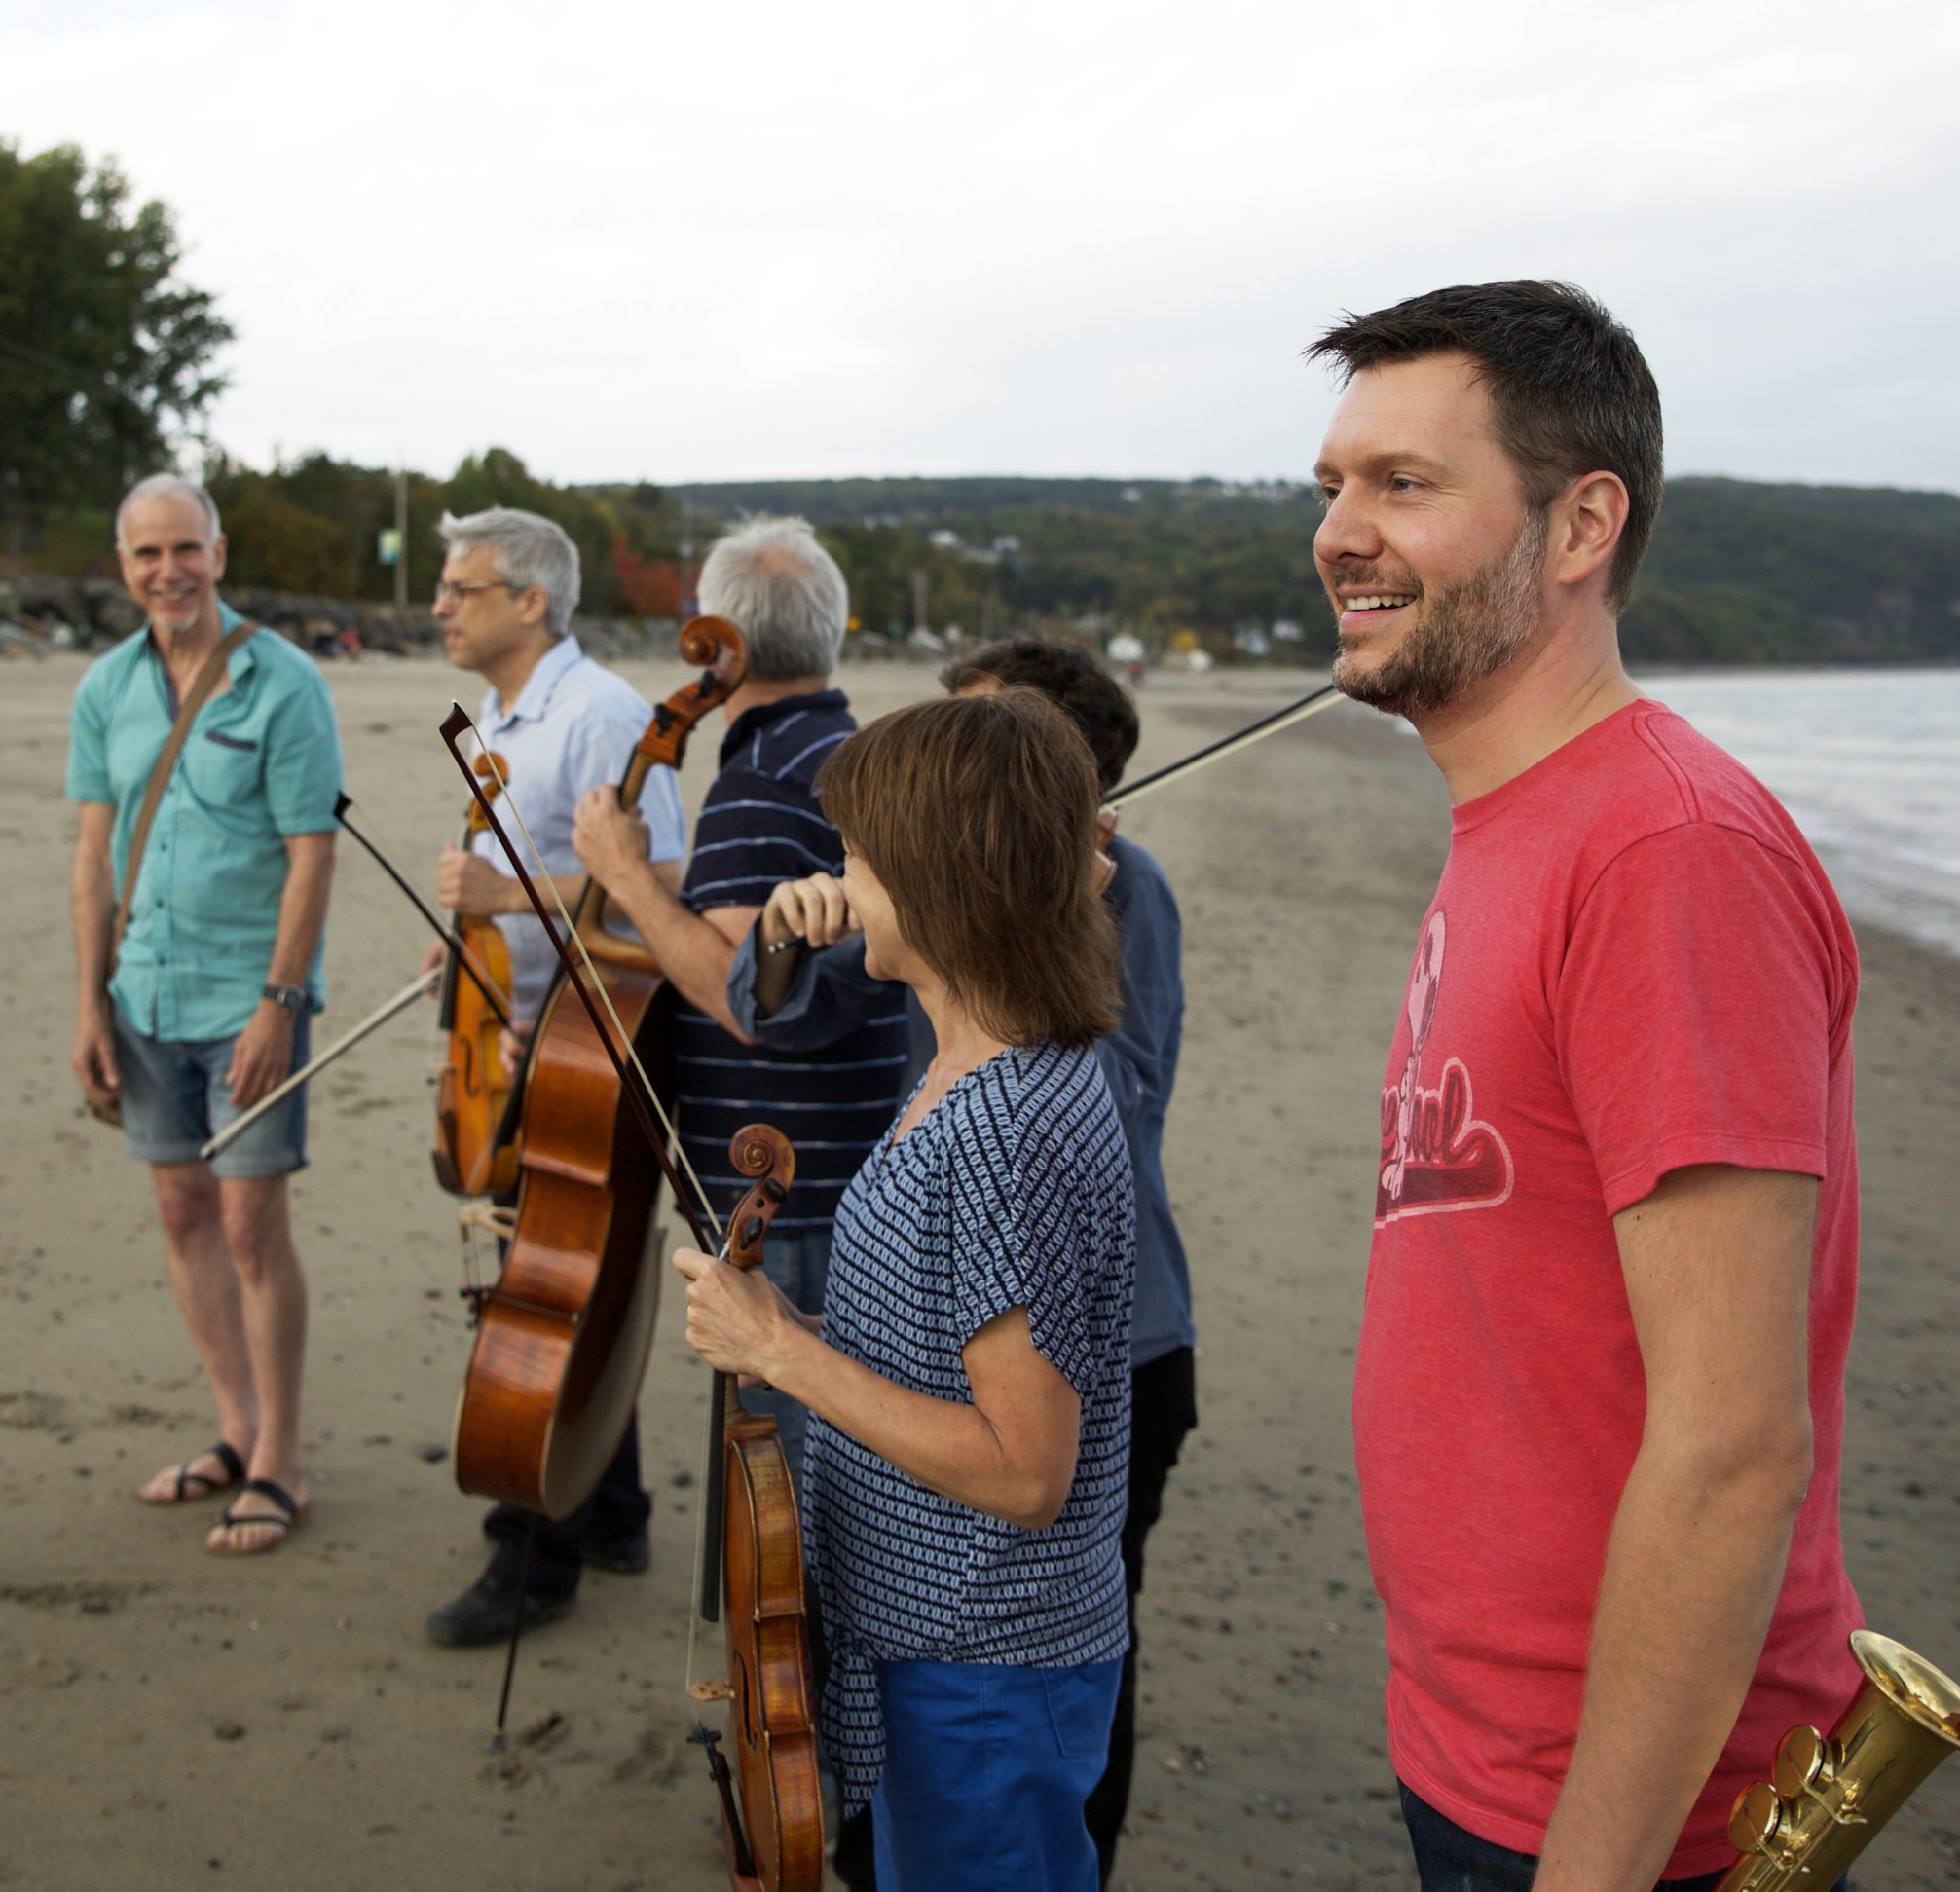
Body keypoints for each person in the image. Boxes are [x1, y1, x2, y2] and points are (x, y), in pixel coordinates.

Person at [1313, 281, 1867, 1891]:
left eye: (1405, 484)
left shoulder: (1664, 853)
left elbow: (1736, 1444)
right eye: (1333, 486)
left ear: (1578, 526)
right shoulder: (1522, 818)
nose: (1343, 531)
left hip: (1628, 1804)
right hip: (1482, 1740)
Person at [723, 634, 1190, 1884]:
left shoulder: (1005, 1129)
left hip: (979, 1666)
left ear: (939, 881)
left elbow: (1026, 1468)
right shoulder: (976, 1062)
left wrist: (780, 1348)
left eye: (860, 861)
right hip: (929, 1644)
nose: (843, 885)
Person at [569, 516, 912, 1473]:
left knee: (803, 1498)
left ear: (720, 641)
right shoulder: (848, 753)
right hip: (849, 1167)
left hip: (789, 1191)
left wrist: (627, 877)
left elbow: (736, 997)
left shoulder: (759, 781)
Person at [419, 505, 688, 1648]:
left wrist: (505, 901)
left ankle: (534, 1554)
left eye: (463, 588)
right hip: (512, 1030)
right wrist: (471, 938)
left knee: (547, 1287)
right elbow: (528, 867)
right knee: (572, 1275)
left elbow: (656, 887)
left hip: (584, 1046)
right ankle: (613, 1507)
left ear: (532, 601)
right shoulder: (495, 711)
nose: (438, 605)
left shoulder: (603, 717)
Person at [67, 473, 344, 1555]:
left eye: (185, 549)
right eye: (147, 555)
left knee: (248, 1223)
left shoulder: (286, 685)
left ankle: (279, 1456)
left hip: (246, 998)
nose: (168, 571)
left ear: (218, 554)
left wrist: (281, 1001)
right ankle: (233, 1430)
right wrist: (88, 999)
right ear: (124, 564)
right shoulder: (104, 689)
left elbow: (311, 854)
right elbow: (93, 856)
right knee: (183, 1212)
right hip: (143, 993)